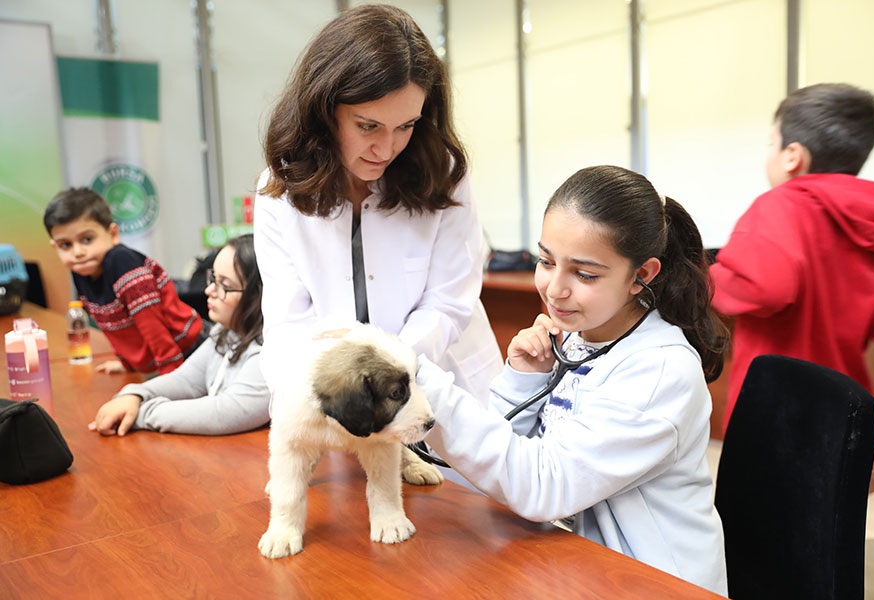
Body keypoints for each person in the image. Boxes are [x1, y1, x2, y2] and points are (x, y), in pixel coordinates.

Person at [415, 165, 730, 595]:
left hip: (655, 583)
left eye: (584, 274)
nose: (554, 288)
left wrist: (414, 379)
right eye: (546, 261)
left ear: (643, 274)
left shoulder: (659, 371)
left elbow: (544, 487)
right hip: (579, 562)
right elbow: (481, 476)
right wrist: (525, 380)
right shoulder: (583, 338)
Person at [253, 6, 502, 424]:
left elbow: (449, 303)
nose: (386, 149)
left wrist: (384, 368)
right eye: (368, 126)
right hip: (343, 406)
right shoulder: (279, 192)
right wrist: (310, 405)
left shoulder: (442, 174)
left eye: (405, 126)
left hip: (448, 393)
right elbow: (287, 326)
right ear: (323, 110)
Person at [709, 83, 874, 491]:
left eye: (772, 143)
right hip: (845, 418)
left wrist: (703, 279)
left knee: (753, 538)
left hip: (771, 414)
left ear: (792, 155)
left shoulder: (780, 205)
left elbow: (764, 289)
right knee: (827, 541)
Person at [88, 234, 269, 436]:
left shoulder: (272, 351)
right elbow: (186, 381)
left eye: (224, 285)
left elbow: (224, 413)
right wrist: (135, 395)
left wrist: (140, 412)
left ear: (259, 295)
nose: (209, 290)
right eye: (213, 279)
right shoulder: (226, 331)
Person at [44, 187, 206, 375]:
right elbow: (112, 326)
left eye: (87, 239)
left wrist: (172, 379)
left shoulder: (121, 262)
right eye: (66, 245)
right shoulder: (81, 270)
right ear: (55, 246)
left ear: (113, 234)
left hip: (190, 350)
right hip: (165, 360)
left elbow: (152, 324)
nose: (78, 252)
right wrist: (127, 363)